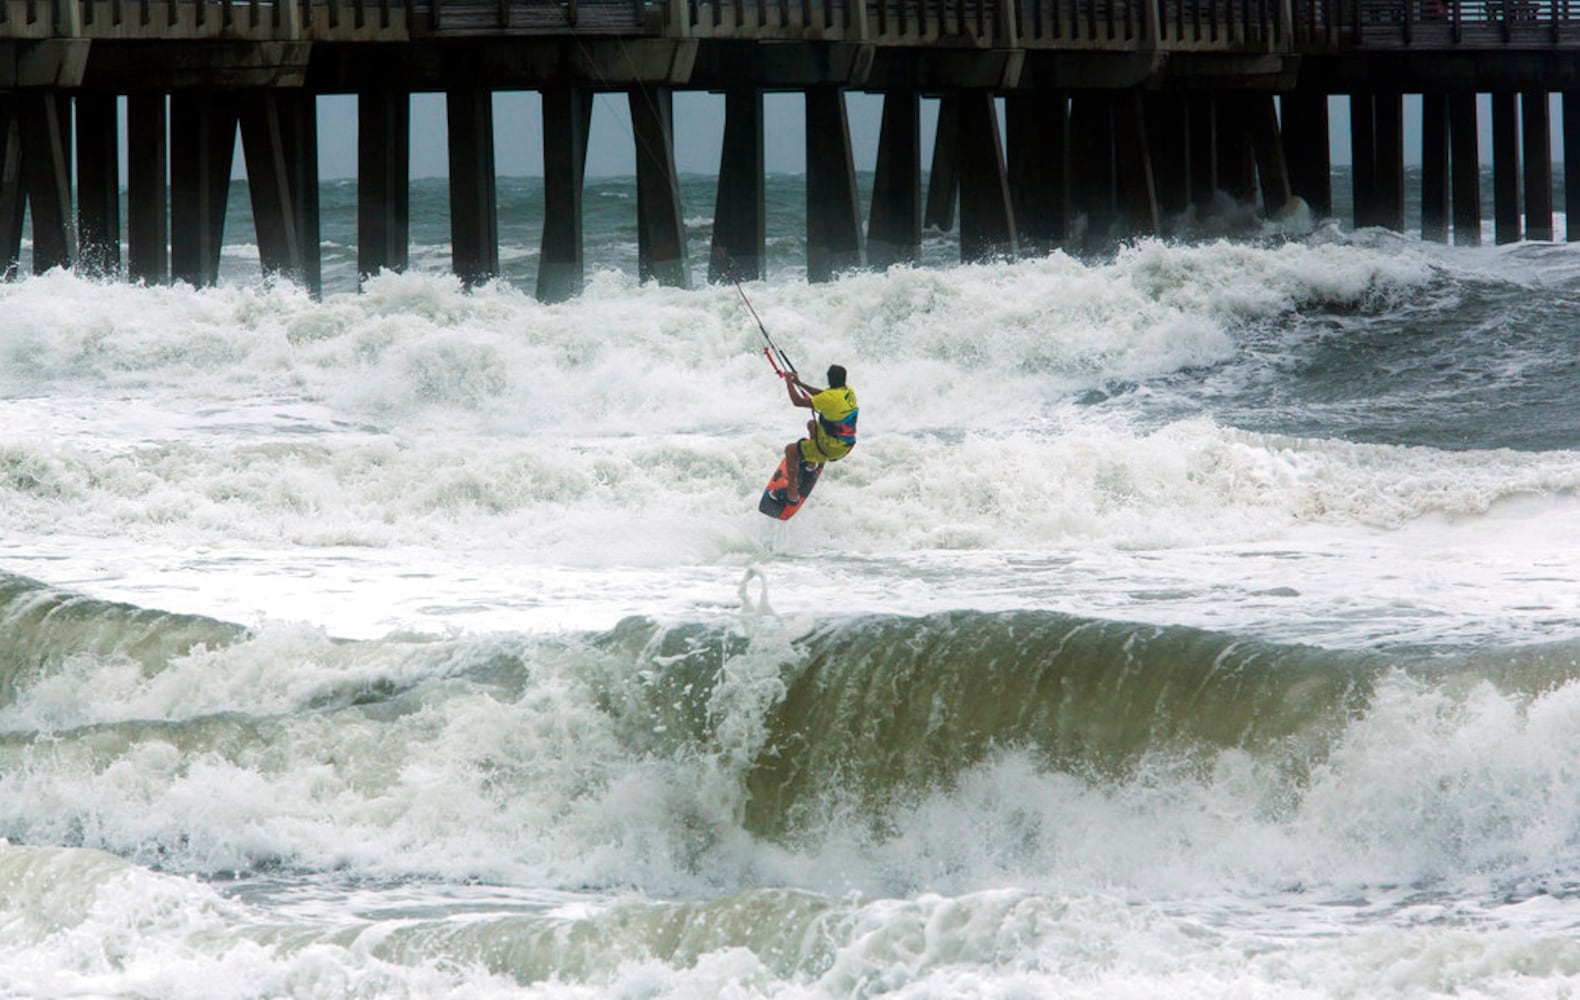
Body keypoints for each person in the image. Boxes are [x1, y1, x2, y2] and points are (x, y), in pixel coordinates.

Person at [780, 364, 858, 505]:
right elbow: (822, 395)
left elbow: (797, 402)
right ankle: (811, 465)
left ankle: (792, 495)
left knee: (790, 450)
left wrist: (788, 381)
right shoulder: (848, 391)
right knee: (812, 425)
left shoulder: (829, 398)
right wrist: (799, 383)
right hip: (847, 444)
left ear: (829, 380)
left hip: (832, 449)